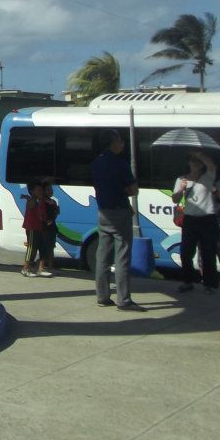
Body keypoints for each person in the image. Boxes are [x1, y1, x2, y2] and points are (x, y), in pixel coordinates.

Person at [91, 130, 144, 311]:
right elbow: (133, 190)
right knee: (122, 255)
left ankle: (102, 296)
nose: (122, 144)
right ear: (113, 142)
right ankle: (124, 299)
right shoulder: (120, 163)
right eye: (120, 141)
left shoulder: (96, 162)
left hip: (103, 212)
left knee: (102, 255)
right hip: (119, 213)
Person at [173, 150, 220, 294]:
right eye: (192, 161)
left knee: (208, 253)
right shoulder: (182, 179)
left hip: (208, 219)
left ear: (201, 164)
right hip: (190, 220)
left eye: (197, 162)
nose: (195, 163)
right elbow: (175, 199)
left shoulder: (207, 177)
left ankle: (209, 284)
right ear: (188, 163)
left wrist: (198, 154)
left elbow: (212, 166)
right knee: (186, 252)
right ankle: (188, 281)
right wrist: (181, 189)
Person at [20, 180, 56, 278]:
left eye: (41, 190)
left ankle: (41, 269)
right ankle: (25, 268)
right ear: (32, 192)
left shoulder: (42, 200)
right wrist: (30, 198)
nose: (41, 192)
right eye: (38, 190)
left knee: (43, 248)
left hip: (40, 227)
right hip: (32, 228)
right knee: (32, 248)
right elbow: (32, 205)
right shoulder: (33, 200)